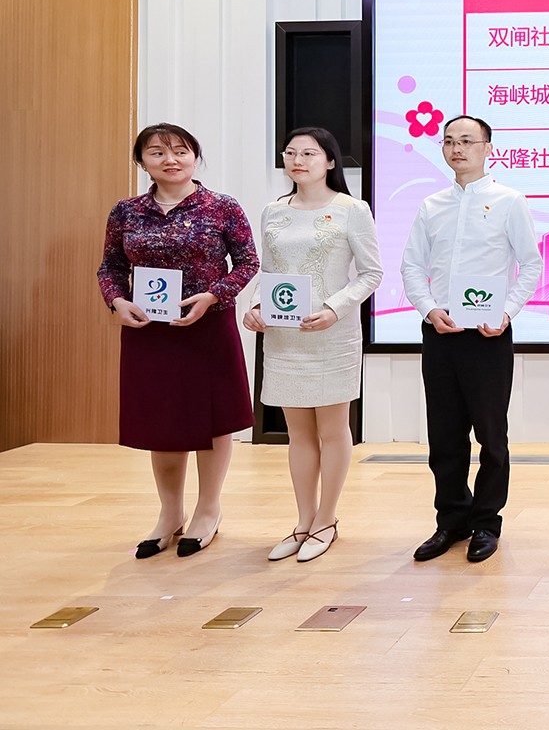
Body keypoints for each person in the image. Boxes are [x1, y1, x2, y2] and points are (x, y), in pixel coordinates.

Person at [98, 123, 258, 558]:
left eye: (180, 151)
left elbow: (247, 262)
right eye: (157, 152)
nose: (170, 159)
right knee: (161, 420)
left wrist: (214, 295)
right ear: (142, 162)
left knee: (214, 419)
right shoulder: (126, 211)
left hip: (208, 327)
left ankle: (208, 510)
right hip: (150, 331)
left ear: (194, 157)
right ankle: (170, 513)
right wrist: (117, 301)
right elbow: (110, 267)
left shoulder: (221, 206)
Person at [400, 115, 542, 563]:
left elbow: (531, 264)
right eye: (449, 141)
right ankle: (452, 521)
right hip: (440, 332)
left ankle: (486, 523)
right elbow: (411, 265)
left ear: (487, 148)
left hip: (488, 335)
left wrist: (506, 312)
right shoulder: (432, 205)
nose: (457, 148)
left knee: (491, 437)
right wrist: (429, 309)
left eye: (466, 141)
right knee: (444, 437)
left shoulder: (509, 201)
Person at [244, 128, 382, 563]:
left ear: (330, 161)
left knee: (332, 430)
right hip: (285, 334)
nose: (297, 160)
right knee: (298, 433)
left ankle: (326, 520)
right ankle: (303, 521)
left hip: (331, 334)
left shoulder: (352, 209)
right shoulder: (273, 211)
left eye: (309, 153)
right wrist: (256, 305)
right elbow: (268, 270)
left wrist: (334, 309)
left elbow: (371, 273)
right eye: (290, 153)